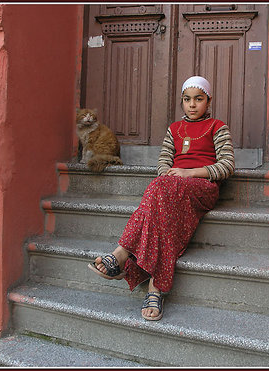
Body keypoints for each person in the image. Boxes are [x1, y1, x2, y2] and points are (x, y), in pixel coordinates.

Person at [88, 76, 235, 321]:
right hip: (170, 189)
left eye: (198, 99)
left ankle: (122, 254)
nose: (192, 105)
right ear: (182, 102)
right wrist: (172, 177)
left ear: (208, 101)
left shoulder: (217, 127)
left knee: (160, 189)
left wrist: (190, 173)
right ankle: (155, 289)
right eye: (187, 100)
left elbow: (227, 165)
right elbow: (163, 164)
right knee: (163, 205)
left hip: (202, 187)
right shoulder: (174, 129)